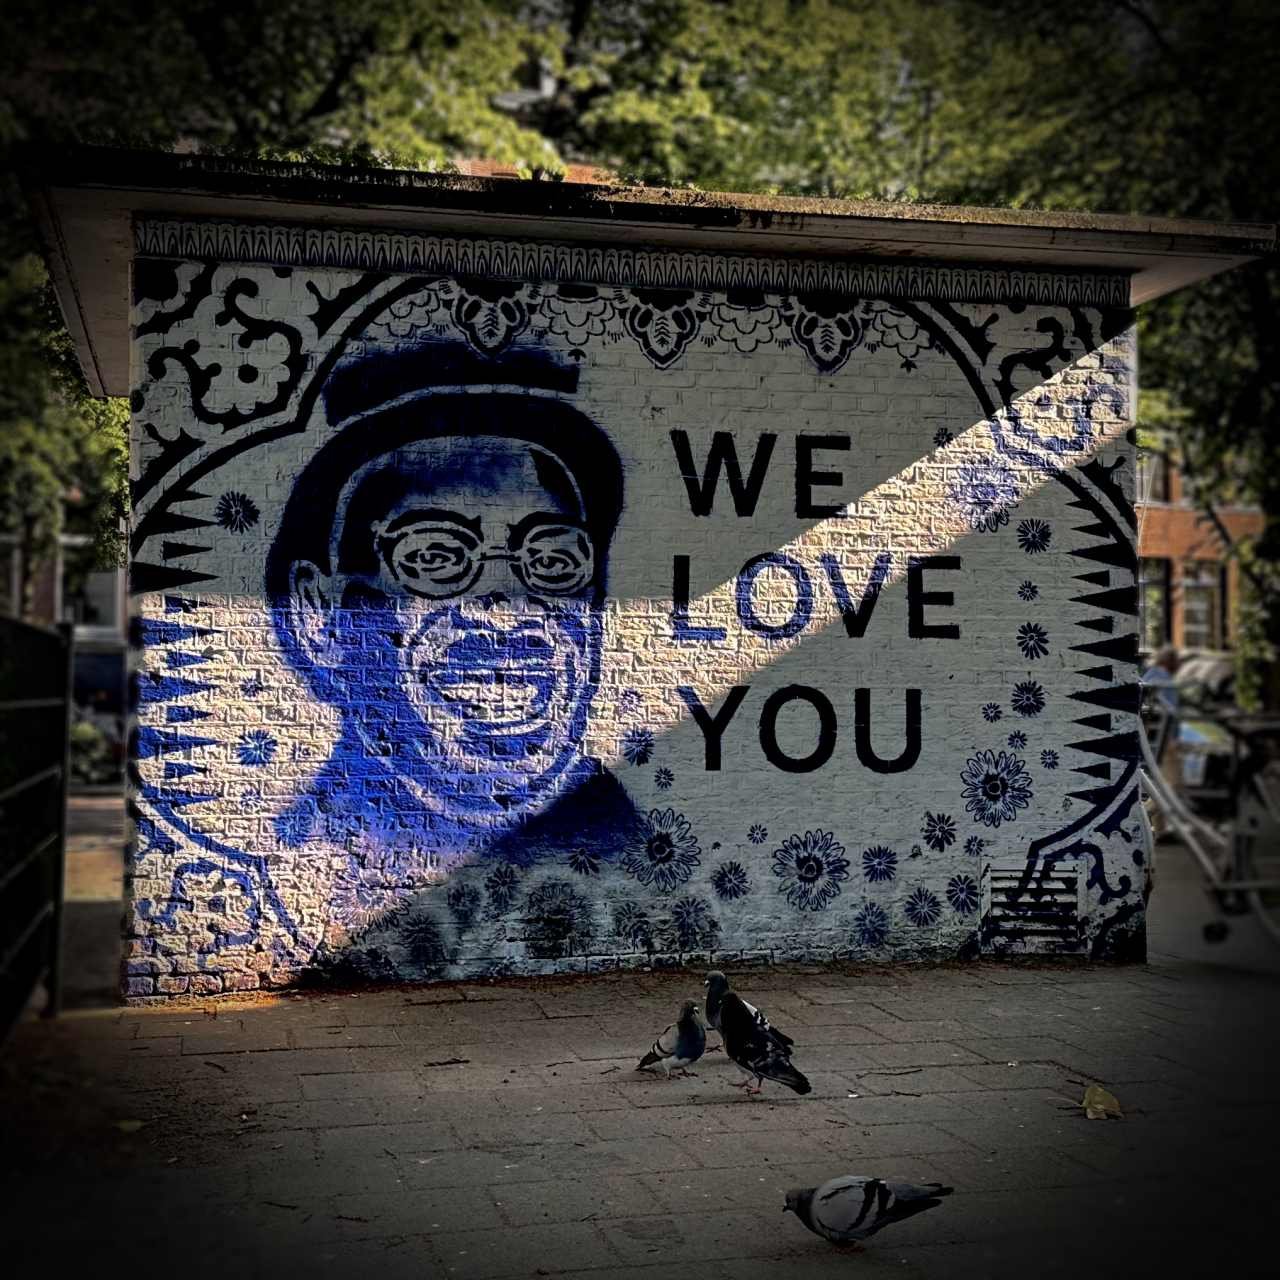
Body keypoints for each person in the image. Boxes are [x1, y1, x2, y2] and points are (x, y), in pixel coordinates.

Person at [265, 368, 639, 935]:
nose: (509, 604)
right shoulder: (295, 856)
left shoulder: (625, 843)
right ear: (319, 616)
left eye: (554, 563)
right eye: (436, 558)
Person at [1141, 645, 1181, 842]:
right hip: (1167, 740)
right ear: (1170, 662)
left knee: (1160, 782)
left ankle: (1161, 831)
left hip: (1151, 741)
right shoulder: (1166, 681)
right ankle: (1144, 812)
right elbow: (1170, 713)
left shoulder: (1149, 676)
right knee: (1171, 786)